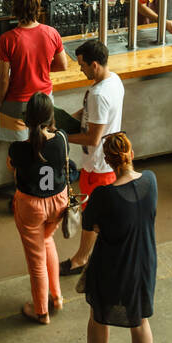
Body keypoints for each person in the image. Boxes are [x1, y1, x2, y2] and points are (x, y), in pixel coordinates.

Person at [82, 132, 156, 343]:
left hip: (111, 266)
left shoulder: (103, 195)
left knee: (99, 316)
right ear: (131, 154)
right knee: (140, 319)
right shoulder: (151, 181)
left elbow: (90, 228)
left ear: (107, 161)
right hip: (144, 264)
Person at [58, 39, 126, 277]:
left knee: (92, 217)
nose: (80, 69)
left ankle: (81, 259)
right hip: (100, 164)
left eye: (83, 65)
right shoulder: (113, 80)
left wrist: (63, 137)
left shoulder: (99, 94)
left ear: (94, 64)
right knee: (98, 215)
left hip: (98, 166)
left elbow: (92, 138)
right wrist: (63, 118)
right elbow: (89, 115)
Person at [7, 92, 70, 323]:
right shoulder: (62, 138)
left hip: (31, 206)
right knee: (46, 241)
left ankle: (41, 311)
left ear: (27, 119)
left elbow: (12, 167)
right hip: (59, 201)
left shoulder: (19, 148)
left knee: (36, 261)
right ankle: (57, 297)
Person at [0, 0, 68, 144]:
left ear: (15, 8)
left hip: (17, 102)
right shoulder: (51, 33)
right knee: (45, 145)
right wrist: (39, 68)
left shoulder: (7, 39)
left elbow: (3, 78)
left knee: (19, 154)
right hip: (44, 100)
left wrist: (1, 101)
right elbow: (63, 65)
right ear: (38, 7)